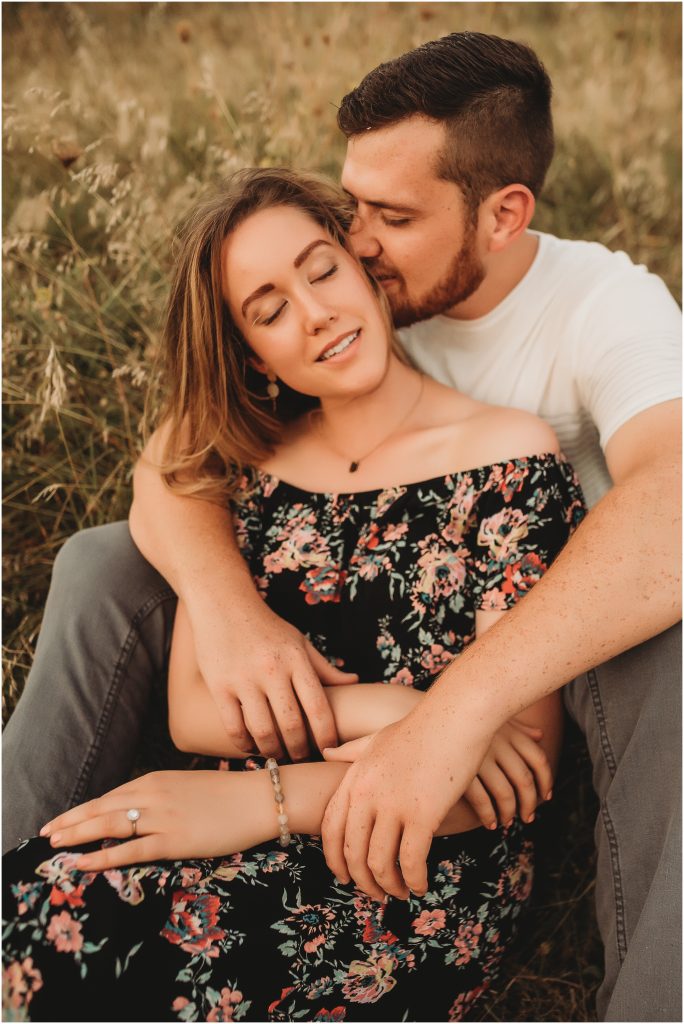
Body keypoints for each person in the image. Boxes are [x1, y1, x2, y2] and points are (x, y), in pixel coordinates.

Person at [2, 30, 680, 1021]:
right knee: (104, 559)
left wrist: (444, 720)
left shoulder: (598, 319)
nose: (358, 244)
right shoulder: (360, 306)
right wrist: (234, 613)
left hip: (545, 671)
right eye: (350, 210)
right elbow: (175, 460)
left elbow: (671, 510)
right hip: (332, 746)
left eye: (386, 220)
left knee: (667, 651)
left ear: (502, 216)